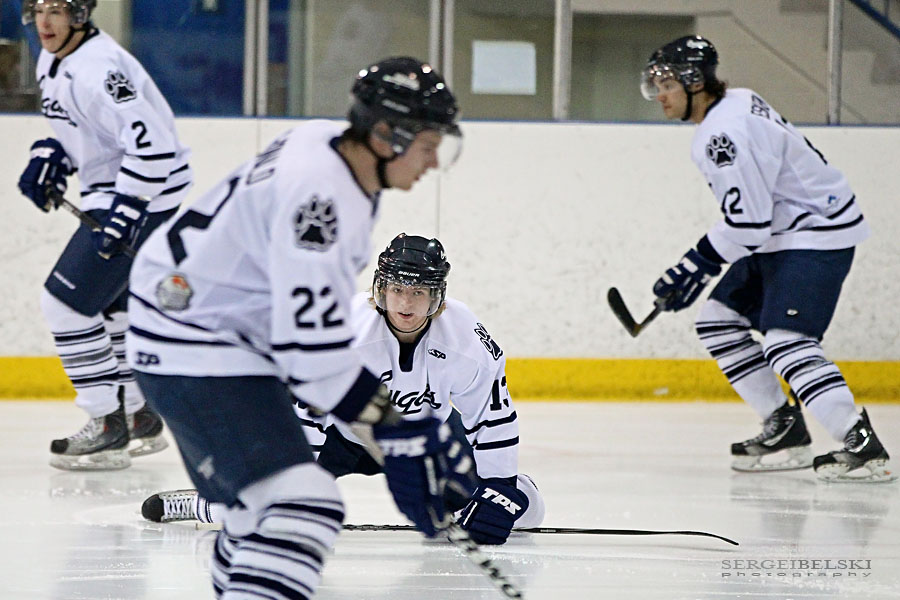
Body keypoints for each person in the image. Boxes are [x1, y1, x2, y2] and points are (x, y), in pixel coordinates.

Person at [126, 58, 473, 599]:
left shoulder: (328, 144)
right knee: (301, 506)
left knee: (256, 516)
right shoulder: (323, 199)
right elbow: (310, 356)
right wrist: (396, 430)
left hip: (210, 328)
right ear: (386, 135)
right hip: (190, 336)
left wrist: (390, 429)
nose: (434, 163)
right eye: (429, 146)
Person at [141, 234, 546, 546]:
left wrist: (500, 488)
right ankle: (201, 504)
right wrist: (293, 484)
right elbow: (305, 410)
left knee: (522, 510)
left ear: (437, 298)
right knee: (264, 512)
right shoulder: (344, 332)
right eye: (397, 289)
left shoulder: (466, 342)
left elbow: (491, 418)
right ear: (380, 289)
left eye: (419, 292)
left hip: (423, 441)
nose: (406, 303)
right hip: (341, 435)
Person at [640, 35, 893, 483]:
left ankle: (860, 444)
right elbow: (755, 220)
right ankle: (785, 428)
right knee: (717, 321)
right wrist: (702, 266)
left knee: (786, 341)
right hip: (785, 232)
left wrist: (694, 264)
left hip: (815, 233)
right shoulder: (737, 101)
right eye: (655, 84)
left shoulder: (723, 134)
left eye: (666, 84)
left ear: (694, 82)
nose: (659, 94)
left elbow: (748, 225)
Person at [17, 0, 192, 470]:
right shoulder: (54, 58)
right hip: (116, 194)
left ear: (80, 14)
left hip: (142, 197)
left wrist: (129, 209)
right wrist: (50, 155)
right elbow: (80, 129)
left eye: (56, 10)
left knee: (66, 303)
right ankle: (137, 416)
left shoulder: (98, 67)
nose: (44, 22)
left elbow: (154, 146)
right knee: (109, 306)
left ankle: (107, 425)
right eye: (37, 9)